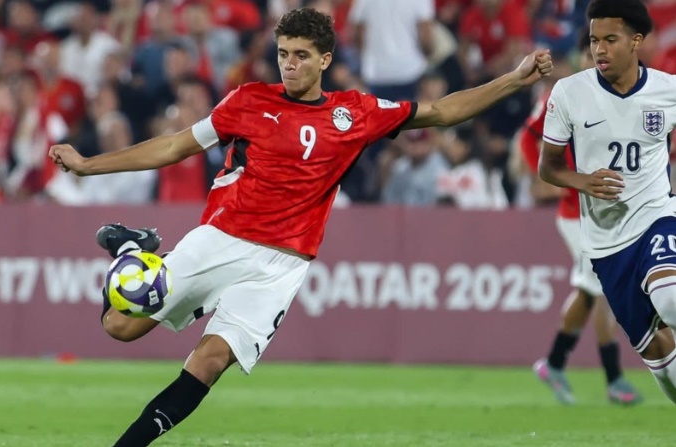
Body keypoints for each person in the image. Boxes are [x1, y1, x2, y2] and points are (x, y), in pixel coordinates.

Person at [50, 8, 553, 446]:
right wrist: (90, 165)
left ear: (325, 60)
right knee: (120, 327)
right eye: (283, 54)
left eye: (301, 55)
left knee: (209, 362)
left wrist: (515, 79)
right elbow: (175, 145)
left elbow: (442, 111)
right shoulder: (248, 101)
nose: (289, 64)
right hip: (222, 237)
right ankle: (133, 250)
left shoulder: (354, 113)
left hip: (282, 265)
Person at [540, 0, 676, 405]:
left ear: (636, 40)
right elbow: (548, 167)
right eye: (594, 40)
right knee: (664, 368)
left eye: (610, 39)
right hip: (606, 244)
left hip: (656, 217)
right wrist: (582, 181)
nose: (600, 49)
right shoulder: (569, 93)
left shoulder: (667, 90)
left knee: (670, 295)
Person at [524, 31, 643, 405]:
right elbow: (528, 138)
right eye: (592, 53)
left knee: (593, 292)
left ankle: (556, 363)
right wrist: (550, 178)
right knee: (600, 288)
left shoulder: (623, 96)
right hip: (576, 214)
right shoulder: (564, 95)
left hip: (609, 213)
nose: (597, 60)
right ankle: (612, 379)